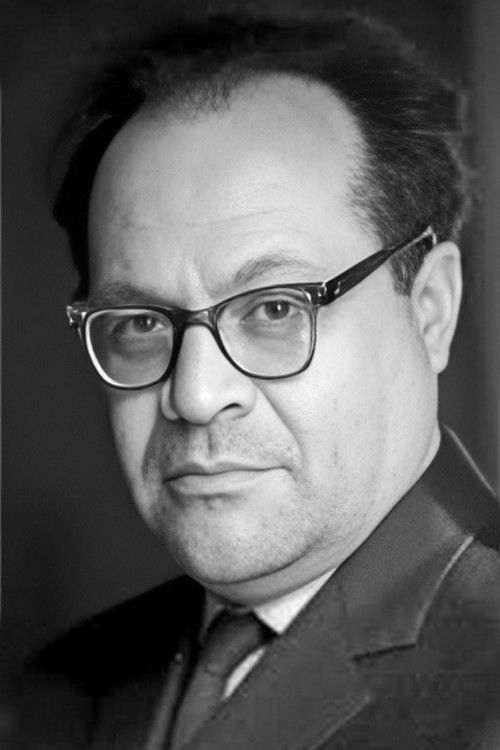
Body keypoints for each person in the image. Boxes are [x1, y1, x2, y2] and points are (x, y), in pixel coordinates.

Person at [13, 10, 500, 749]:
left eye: (275, 308)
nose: (195, 394)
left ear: (430, 309)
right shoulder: (56, 691)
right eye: (142, 323)